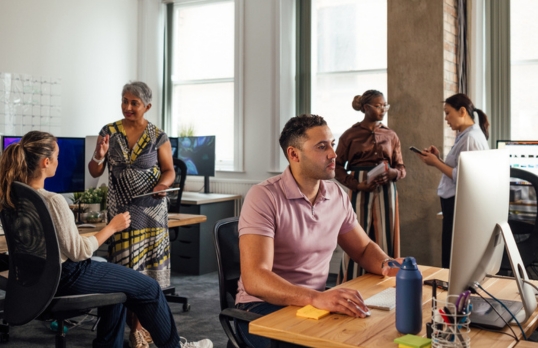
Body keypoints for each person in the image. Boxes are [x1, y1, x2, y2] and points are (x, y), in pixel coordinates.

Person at [0, 131, 212, 348]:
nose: (58, 160)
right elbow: (79, 252)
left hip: (39, 279)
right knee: (150, 288)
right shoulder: (54, 201)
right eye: (57, 156)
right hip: (67, 276)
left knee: (118, 287)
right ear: (46, 162)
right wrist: (112, 227)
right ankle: (175, 346)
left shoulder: (13, 193)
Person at [236, 114, 402, 348]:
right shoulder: (264, 196)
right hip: (262, 307)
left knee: (375, 333)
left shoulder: (336, 194)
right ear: (294, 154)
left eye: (332, 145)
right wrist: (316, 298)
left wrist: (389, 265)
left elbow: (363, 249)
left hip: (313, 304)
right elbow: (255, 278)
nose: (333, 154)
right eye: (322, 147)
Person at [88, 81, 176, 347]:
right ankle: (135, 328)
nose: (127, 107)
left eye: (134, 103)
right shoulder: (109, 131)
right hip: (122, 217)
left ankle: (142, 330)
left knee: (149, 273)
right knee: (125, 275)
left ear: (147, 106)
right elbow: (94, 171)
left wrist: (163, 185)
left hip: (152, 215)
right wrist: (99, 155)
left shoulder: (158, 135)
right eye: (124, 101)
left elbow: (169, 170)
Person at [334, 90, 406, 283]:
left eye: (385, 105)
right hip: (359, 189)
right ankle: (352, 281)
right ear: (366, 108)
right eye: (378, 105)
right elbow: (337, 167)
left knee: (386, 235)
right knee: (358, 236)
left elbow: (401, 168)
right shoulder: (350, 135)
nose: (383, 109)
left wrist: (393, 173)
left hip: (386, 190)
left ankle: (387, 281)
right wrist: (356, 184)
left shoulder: (391, 135)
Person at [415, 93, 490, 268]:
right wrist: (438, 159)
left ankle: (452, 293)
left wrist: (435, 163)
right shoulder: (466, 135)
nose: (446, 118)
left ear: (462, 111)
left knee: (452, 255)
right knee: (451, 251)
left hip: (458, 202)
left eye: (448, 113)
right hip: (454, 201)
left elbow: (465, 177)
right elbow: (459, 167)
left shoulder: (470, 138)